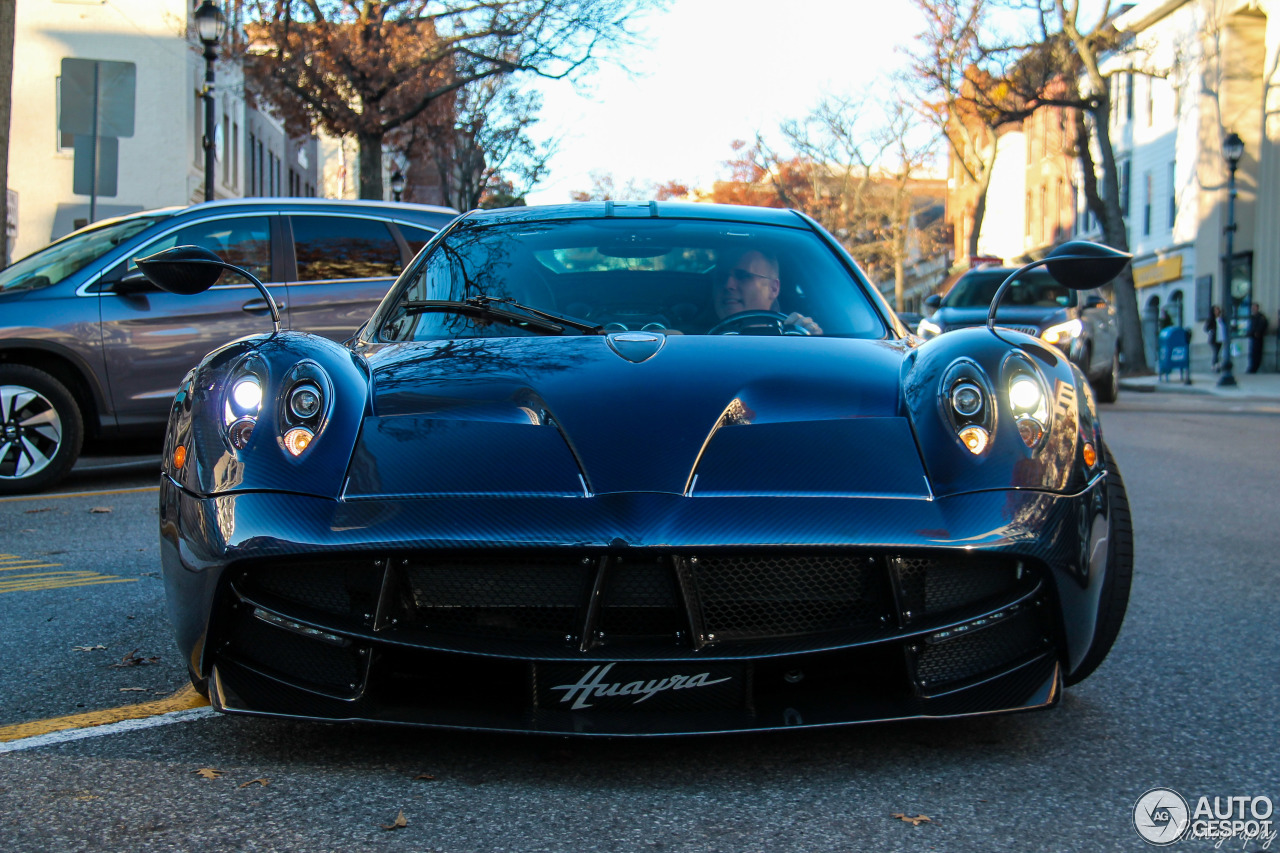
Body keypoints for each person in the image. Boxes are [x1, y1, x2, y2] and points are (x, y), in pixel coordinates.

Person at [711, 249, 822, 334]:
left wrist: (814, 343)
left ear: (773, 288)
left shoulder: (795, 340)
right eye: (721, 276)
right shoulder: (694, 338)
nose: (728, 285)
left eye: (743, 276)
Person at [1246, 303, 1269, 373]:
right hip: (1252, 338)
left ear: (1257, 308)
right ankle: (1252, 367)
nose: (1253, 309)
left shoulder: (1261, 317)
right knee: (1252, 354)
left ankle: (1254, 368)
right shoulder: (1252, 317)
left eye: (1254, 307)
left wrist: (1258, 332)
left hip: (1258, 338)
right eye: (1252, 307)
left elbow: (1263, 325)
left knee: (1257, 354)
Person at [1204, 305, 1222, 371]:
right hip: (1213, 339)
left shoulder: (1220, 319)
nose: (1218, 311)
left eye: (1218, 309)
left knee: (1217, 352)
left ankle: (1216, 365)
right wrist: (1211, 331)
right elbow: (1206, 328)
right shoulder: (1211, 319)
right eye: (1216, 310)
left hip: (1220, 338)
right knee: (1216, 352)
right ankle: (1215, 365)